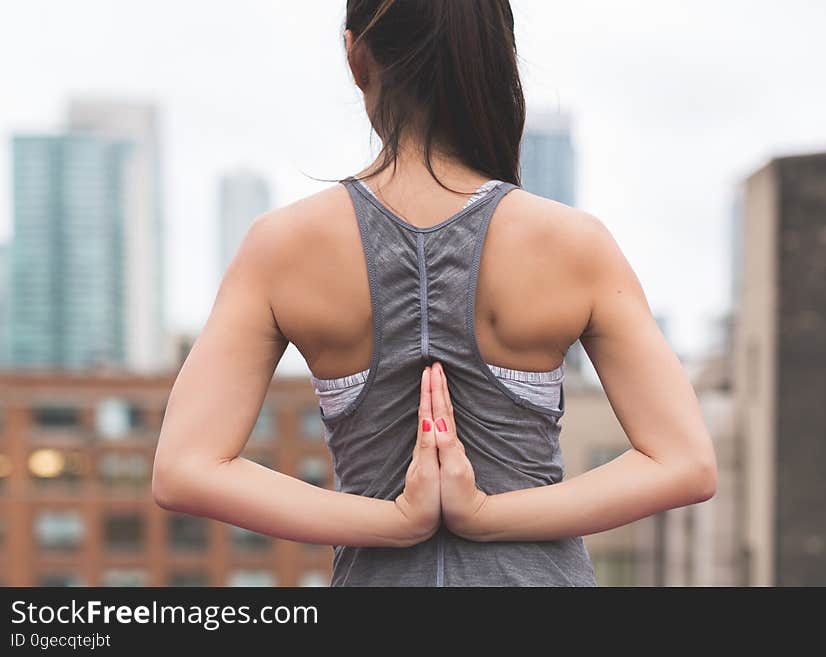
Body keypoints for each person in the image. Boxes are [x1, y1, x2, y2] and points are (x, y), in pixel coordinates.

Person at [152, 0, 717, 587]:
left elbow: (185, 469)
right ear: (497, 60)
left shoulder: (280, 247)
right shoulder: (574, 244)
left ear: (356, 56)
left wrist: (394, 521)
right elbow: (684, 463)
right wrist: (485, 516)